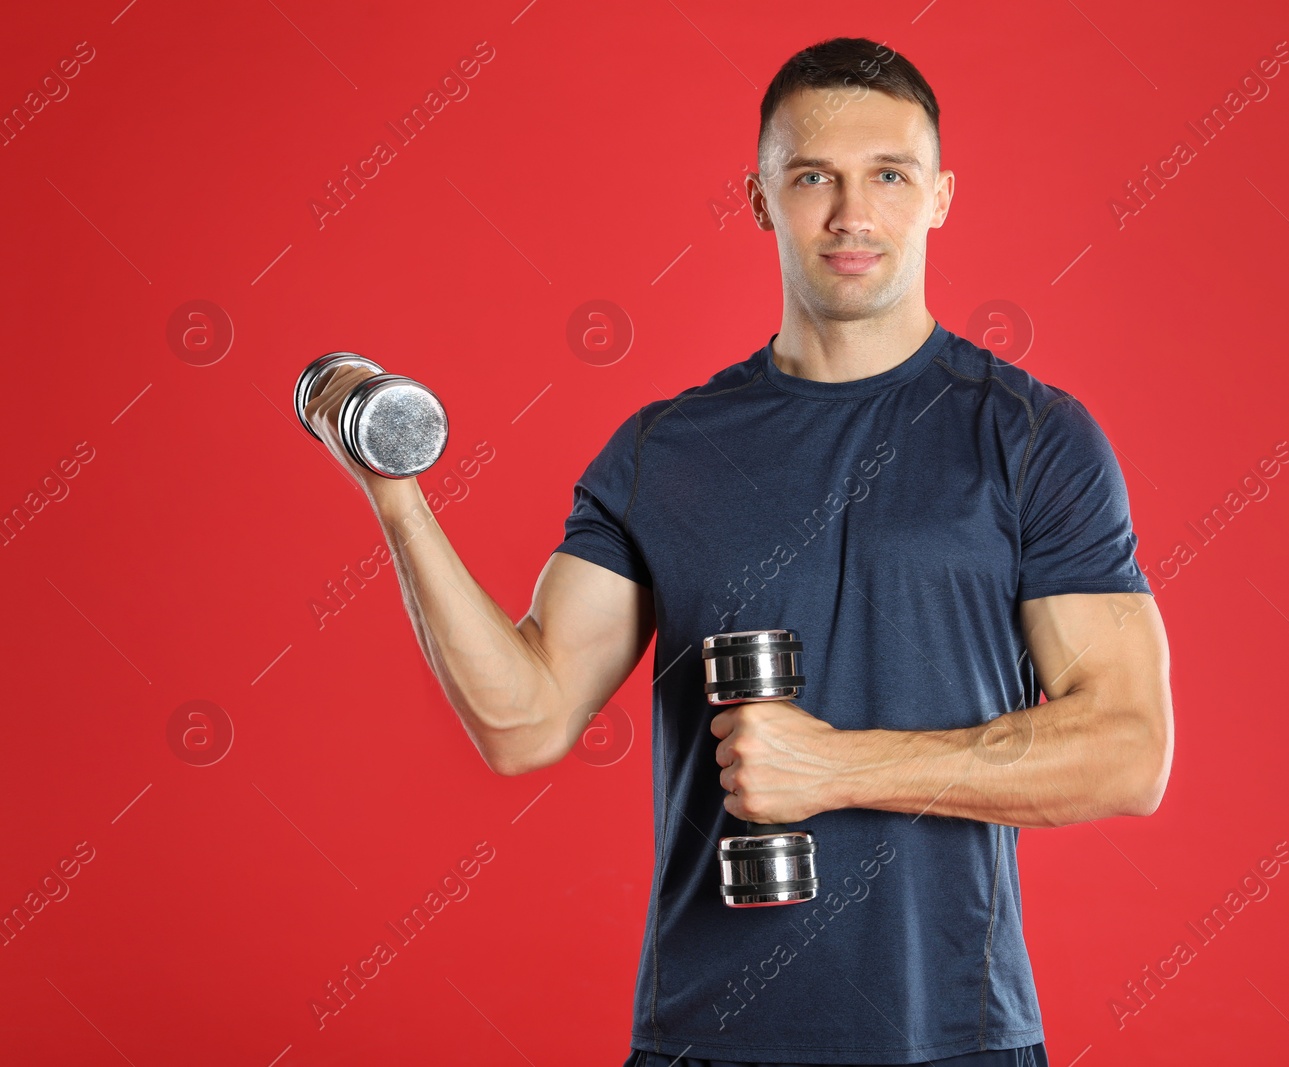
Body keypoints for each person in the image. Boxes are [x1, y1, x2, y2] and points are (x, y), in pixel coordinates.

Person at [303, 34, 1173, 1067]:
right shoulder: (665, 452)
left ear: (939, 195)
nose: (851, 214)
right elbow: (523, 720)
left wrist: (838, 766)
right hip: (706, 1042)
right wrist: (396, 498)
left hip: (955, 1036)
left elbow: (1128, 749)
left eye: (887, 176)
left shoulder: (1032, 437)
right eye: (813, 178)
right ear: (759, 199)